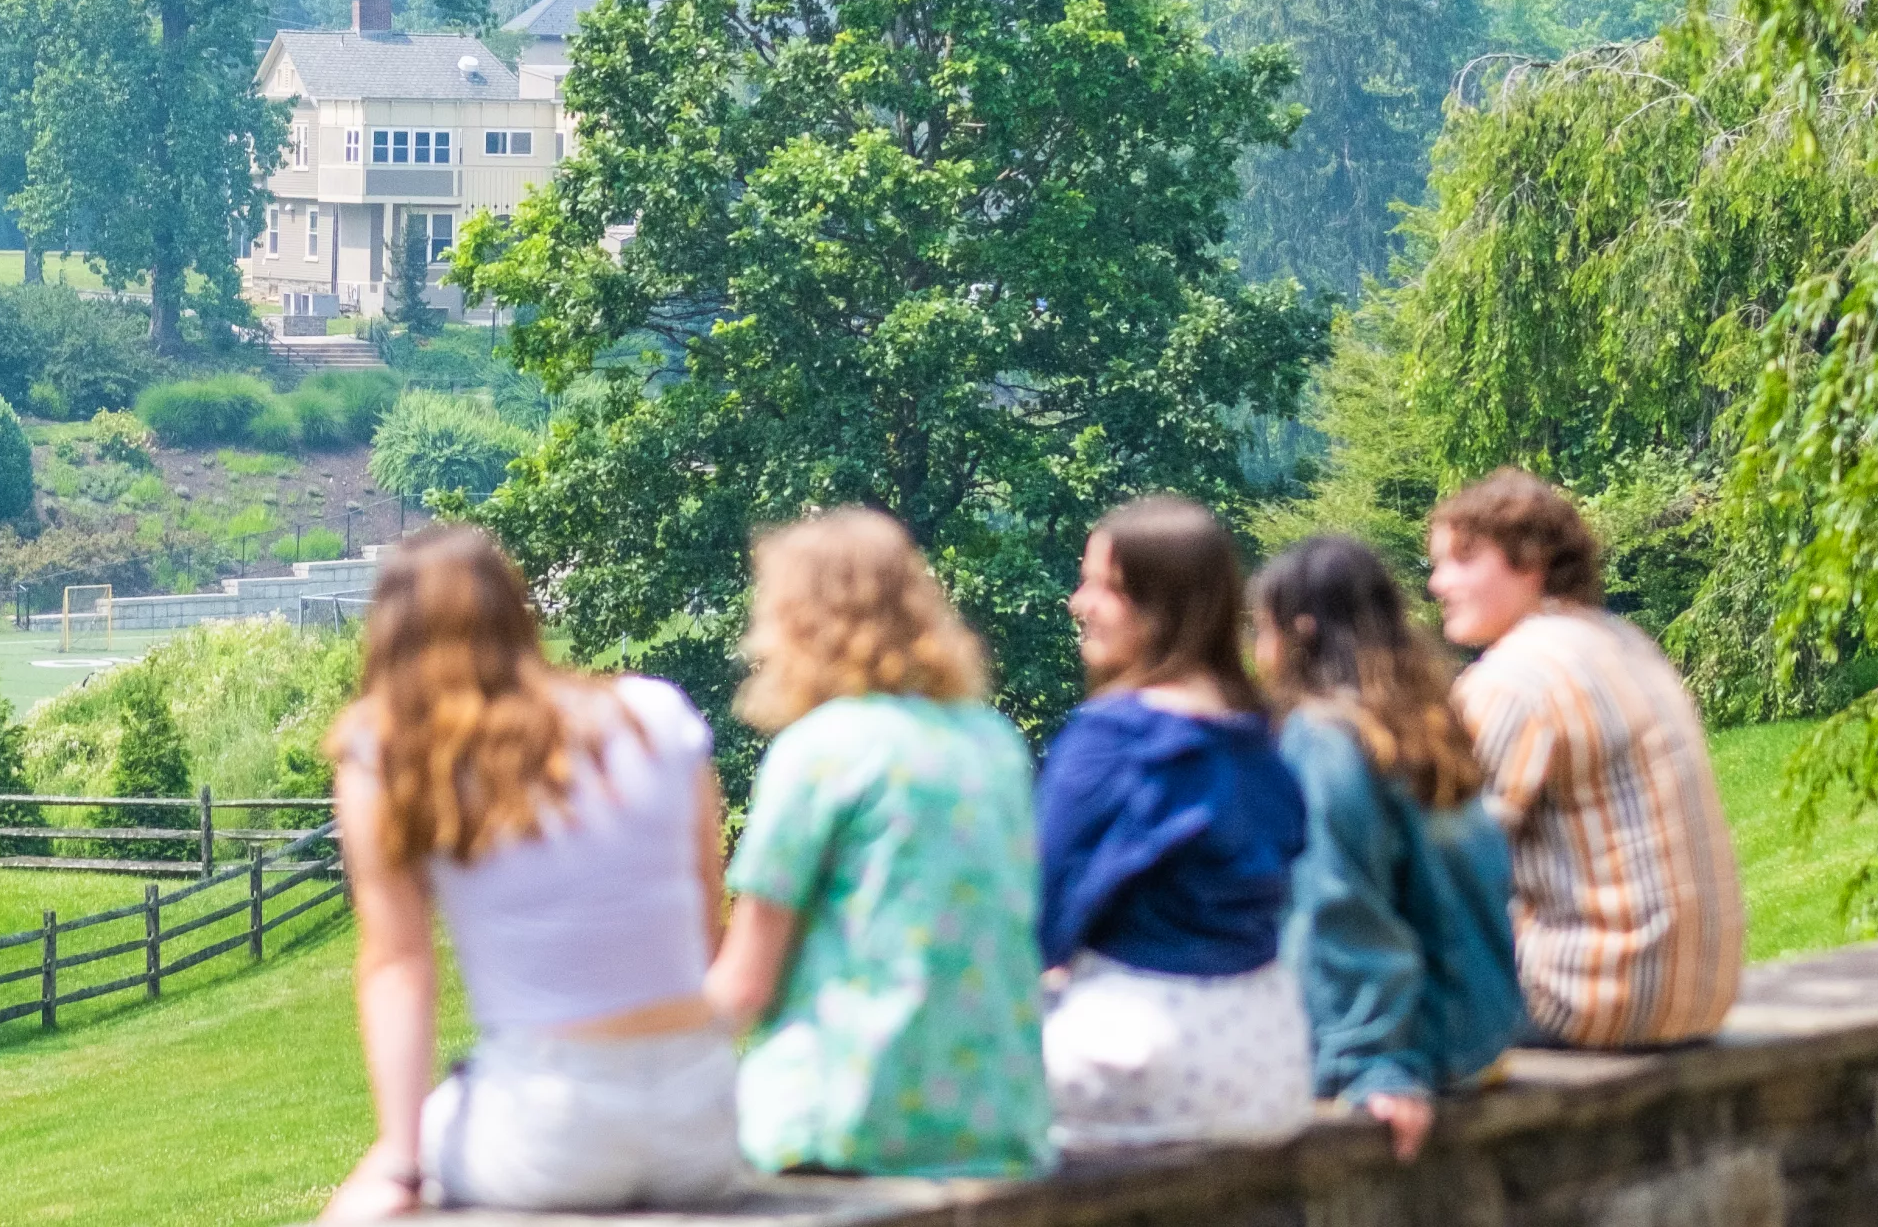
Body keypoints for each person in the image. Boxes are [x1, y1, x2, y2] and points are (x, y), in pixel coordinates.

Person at [319, 526, 740, 1219]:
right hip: (702, 1123)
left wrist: (401, 1163)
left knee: (360, 1201)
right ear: (519, 612)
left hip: (548, 1132)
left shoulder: (388, 753)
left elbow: (398, 965)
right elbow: (707, 931)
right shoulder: (656, 714)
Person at [705, 510, 1054, 1179]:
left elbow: (746, 982)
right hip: (1000, 1125)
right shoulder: (993, 745)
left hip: (849, 1123)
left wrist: (639, 1057)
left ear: (799, 622)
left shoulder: (820, 751)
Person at [1425, 469, 1745, 1049]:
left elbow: (1438, 861)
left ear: (1531, 561)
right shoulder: (1626, 644)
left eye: (1462, 559)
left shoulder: (1513, 679)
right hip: (1700, 997)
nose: (1438, 583)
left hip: (1592, 1001)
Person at [1033, 496, 1311, 1149]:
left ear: (1162, 606)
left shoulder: (1114, 737)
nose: (1079, 603)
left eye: (1103, 586)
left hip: (1146, 1062)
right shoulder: (1262, 737)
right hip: (1272, 1063)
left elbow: (1036, 914)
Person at [1253, 535, 1524, 1161]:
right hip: (1479, 1035)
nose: (1257, 651)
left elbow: (1341, 905)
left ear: (1300, 632)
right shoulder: (1426, 724)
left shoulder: (1323, 737)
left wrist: (1373, 1067)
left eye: (1261, 630)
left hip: (1414, 1050)